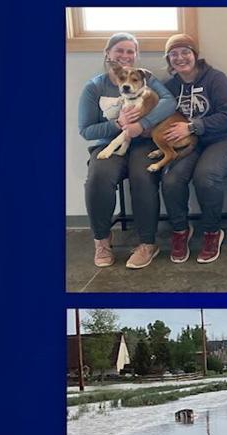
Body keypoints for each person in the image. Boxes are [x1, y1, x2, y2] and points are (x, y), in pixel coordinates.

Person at [78, 32, 176, 269]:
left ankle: (147, 243)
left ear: (136, 55)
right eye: (119, 51)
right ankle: (101, 240)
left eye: (130, 51)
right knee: (99, 177)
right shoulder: (94, 87)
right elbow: (87, 130)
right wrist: (118, 124)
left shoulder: (145, 79)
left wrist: (140, 125)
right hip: (108, 145)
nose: (124, 55)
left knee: (143, 176)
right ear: (107, 55)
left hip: (143, 143)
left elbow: (169, 102)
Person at [159, 34, 227, 265]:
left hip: (224, 139)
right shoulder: (168, 87)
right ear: (169, 60)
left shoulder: (216, 79)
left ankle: (212, 233)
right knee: (171, 180)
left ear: (195, 55)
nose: (180, 58)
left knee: (205, 177)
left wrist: (192, 126)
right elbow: (159, 116)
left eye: (185, 52)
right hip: (189, 145)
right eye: (174, 54)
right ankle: (180, 231)